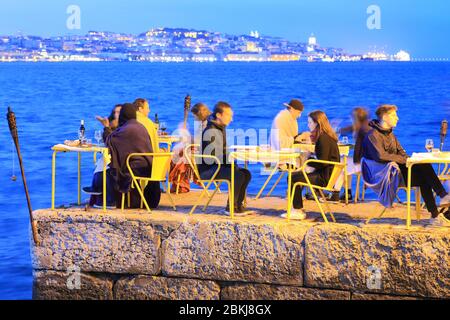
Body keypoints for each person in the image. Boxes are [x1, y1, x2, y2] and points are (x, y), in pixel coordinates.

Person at [362, 104, 450, 226]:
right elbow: (381, 156)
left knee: (424, 173)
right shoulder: (373, 135)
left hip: (394, 171)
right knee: (423, 168)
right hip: (383, 176)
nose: (397, 118)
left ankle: (435, 215)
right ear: (385, 117)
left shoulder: (390, 134)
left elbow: (402, 153)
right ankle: (443, 195)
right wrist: (406, 161)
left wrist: (410, 160)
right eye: (394, 115)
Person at [199, 101, 252, 214]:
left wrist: (232, 158)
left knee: (246, 173)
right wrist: (232, 157)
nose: (231, 119)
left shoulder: (220, 128)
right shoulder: (211, 130)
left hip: (217, 165)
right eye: (228, 115)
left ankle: (237, 205)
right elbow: (212, 158)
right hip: (208, 169)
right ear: (219, 115)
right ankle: (232, 208)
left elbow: (221, 153)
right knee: (237, 175)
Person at [287, 110, 340, 220]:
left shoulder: (323, 139)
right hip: (328, 175)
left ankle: (297, 210)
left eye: (310, 122)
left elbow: (323, 162)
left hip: (324, 177)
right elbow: (324, 159)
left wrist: (309, 162)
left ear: (317, 123)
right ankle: (297, 209)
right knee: (298, 175)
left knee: (292, 177)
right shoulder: (328, 136)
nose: (308, 125)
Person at [107, 103, 161, 209]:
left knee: (109, 170)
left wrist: (106, 128)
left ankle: (109, 201)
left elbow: (111, 140)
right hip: (148, 165)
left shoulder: (128, 128)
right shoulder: (139, 126)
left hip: (136, 168)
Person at [83, 104, 123, 209]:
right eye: (115, 112)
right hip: (115, 157)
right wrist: (108, 127)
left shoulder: (123, 128)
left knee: (104, 161)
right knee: (103, 160)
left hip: (121, 160)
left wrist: (106, 127)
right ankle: (97, 189)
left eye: (118, 112)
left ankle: (97, 189)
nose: (116, 114)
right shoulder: (114, 126)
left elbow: (111, 142)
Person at [330, 107, 371, 202]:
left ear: (356, 118)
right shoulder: (366, 126)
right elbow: (345, 129)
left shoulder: (362, 131)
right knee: (345, 161)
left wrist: (355, 161)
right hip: (367, 161)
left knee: (340, 164)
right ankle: (347, 193)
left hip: (362, 163)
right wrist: (336, 129)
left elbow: (358, 149)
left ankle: (335, 194)